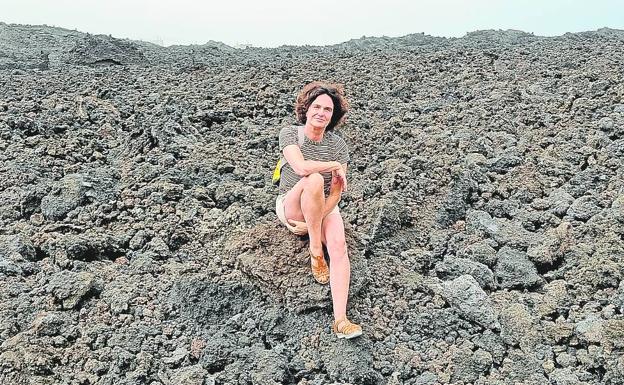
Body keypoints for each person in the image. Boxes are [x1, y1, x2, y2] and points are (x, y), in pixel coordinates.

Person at [275, 81, 362, 339]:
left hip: (323, 205)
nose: (321, 113)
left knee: (338, 244)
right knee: (312, 178)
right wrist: (332, 164)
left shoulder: (338, 145)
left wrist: (317, 219)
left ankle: (341, 319)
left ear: (333, 115)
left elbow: (336, 192)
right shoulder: (290, 134)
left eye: (327, 109)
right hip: (291, 204)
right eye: (316, 106)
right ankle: (315, 250)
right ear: (306, 108)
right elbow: (301, 168)